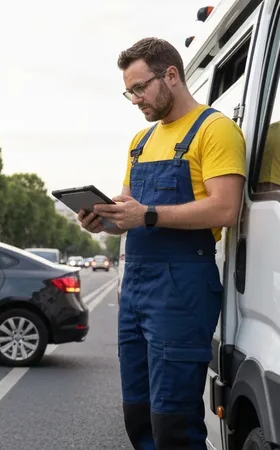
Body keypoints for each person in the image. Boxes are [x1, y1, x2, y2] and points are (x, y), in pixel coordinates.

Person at [79, 37, 246, 449]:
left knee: (173, 423)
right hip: (136, 289)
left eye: (140, 88)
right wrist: (103, 221)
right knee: (138, 416)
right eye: (129, 92)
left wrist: (148, 215)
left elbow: (226, 208)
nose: (135, 99)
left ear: (171, 75)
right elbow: (130, 214)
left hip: (182, 287)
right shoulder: (140, 141)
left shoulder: (215, 129)